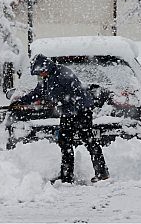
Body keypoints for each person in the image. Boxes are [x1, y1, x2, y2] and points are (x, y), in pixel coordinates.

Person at [11, 54, 110, 184]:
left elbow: (63, 95)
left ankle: (101, 173)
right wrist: (20, 101)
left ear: (45, 68)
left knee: (88, 140)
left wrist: (55, 102)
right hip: (69, 112)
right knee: (65, 142)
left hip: (80, 111)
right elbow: (38, 92)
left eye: (40, 72)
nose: (40, 75)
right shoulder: (48, 77)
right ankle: (66, 176)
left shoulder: (62, 74)